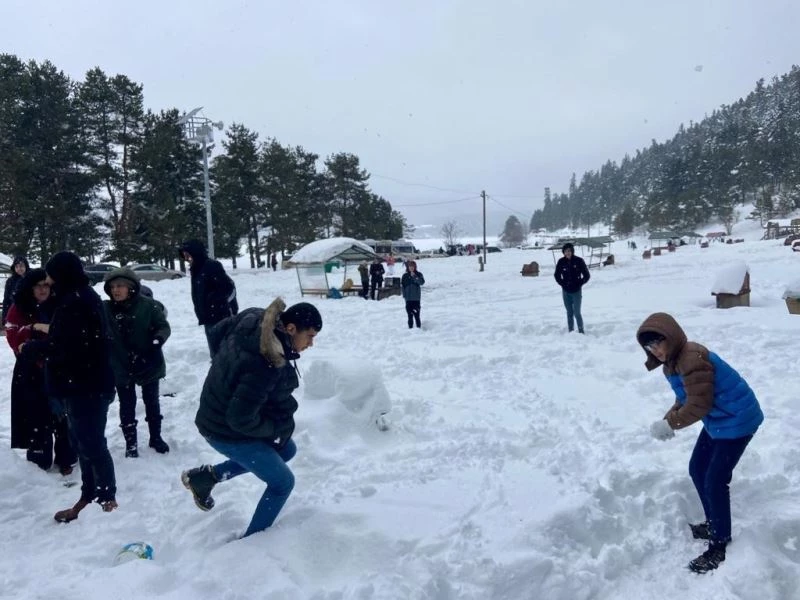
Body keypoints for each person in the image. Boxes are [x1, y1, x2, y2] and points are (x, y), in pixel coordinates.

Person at [181, 298, 321, 539]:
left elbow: (218, 332)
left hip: (215, 414)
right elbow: (241, 419)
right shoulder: (265, 361)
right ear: (290, 329)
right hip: (224, 430)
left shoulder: (257, 320)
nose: (311, 343)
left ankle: (205, 477)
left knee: (287, 451)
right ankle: (253, 541)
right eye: (309, 336)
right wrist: (274, 429)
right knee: (282, 484)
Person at [637, 312, 763, 574]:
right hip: (720, 419)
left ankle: (718, 543)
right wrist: (667, 419)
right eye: (650, 346)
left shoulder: (691, 359)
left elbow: (699, 404)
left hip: (738, 419)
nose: (656, 350)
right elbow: (686, 398)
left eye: (659, 342)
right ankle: (713, 522)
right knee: (697, 469)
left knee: (715, 479)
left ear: (671, 337)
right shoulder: (672, 363)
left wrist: (671, 424)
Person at [39, 251, 118, 522]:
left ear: (62, 274)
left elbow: (70, 347)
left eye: (50, 274)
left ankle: (107, 499)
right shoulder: (73, 297)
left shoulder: (78, 301)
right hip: (80, 385)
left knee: (92, 443)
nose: (46, 280)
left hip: (88, 385)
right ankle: (89, 496)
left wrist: (33, 348)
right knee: (83, 443)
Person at [4, 268, 76, 473]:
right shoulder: (18, 308)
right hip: (30, 371)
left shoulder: (58, 304)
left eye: (46, 285)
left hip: (59, 368)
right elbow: (12, 336)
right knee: (36, 415)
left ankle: (67, 457)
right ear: (30, 287)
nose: (43, 289)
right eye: (39, 285)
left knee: (62, 416)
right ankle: (39, 458)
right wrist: (34, 328)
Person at [102, 267, 171, 457]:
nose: (116, 290)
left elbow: (163, 326)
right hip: (121, 365)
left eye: (121, 286)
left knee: (152, 401)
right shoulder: (105, 309)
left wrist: (156, 341)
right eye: (113, 287)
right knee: (127, 404)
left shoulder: (148, 305)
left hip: (148, 361)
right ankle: (130, 444)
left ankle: (155, 437)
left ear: (131, 287)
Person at [178, 240, 238, 358]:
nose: (186, 258)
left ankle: (226, 374)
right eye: (184, 256)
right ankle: (219, 372)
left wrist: (213, 301)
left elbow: (228, 287)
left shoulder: (211, 266)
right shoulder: (196, 269)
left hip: (220, 317)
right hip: (207, 318)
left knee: (224, 353)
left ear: (196, 253)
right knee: (215, 354)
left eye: (188, 255)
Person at [553, 242, 590, 333]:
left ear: (572, 251)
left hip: (576, 291)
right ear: (563, 252)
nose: (568, 253)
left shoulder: (579, 261)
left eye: (569, 251)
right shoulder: (561, 261)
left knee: (577, 313)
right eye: (566, 251)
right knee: (569, 312)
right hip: (565, 292)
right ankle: (571, 331)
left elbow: (587, 275)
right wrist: (562, 284)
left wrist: (579, 283)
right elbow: (557, 275)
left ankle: (581, 331)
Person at [3, 256, 29, 326]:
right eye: (16, 267)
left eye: (21, 266)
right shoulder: (10, 281)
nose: (19, 269)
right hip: (13, 312)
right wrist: (4, 317)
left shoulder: (31, 278)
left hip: (29, 312)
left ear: (26, 266)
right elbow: (6, 299)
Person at [401, 260, 425, 329]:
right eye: (410, 266)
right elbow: (403, 286)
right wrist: (404, 295)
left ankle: (418, 329)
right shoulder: (405, 276)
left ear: (415, 267)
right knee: (409, 316)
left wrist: (414, 276)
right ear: (408, 267)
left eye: (412, 266)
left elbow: (422, 282)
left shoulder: (419, 274)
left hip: (416, 298)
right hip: (408, 298)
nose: (411, 268)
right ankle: (410, 329)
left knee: (417, 316)